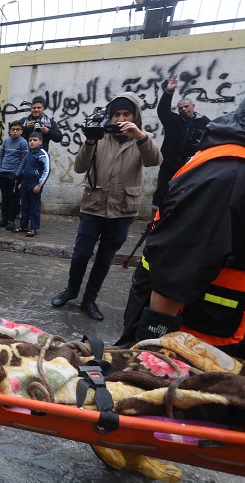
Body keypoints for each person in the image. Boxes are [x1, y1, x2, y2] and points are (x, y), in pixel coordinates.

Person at [117, 89, 245, 365]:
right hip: (194, 342)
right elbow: (177, 268)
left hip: (224, 331)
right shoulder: (233, 171)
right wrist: (152, 355)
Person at [51, 92, 162, 321]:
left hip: (122, 211)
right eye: (116, 114)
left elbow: (154, 160)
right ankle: (71, 290)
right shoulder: (99, 136)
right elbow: (80, 167)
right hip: (93, 206)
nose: (120, 119)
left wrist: (140, 136)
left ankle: (89, 300)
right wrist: (90, 140)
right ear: (110, 117)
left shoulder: (142, 138)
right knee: (81, 254)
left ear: (135, 116)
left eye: (126, 114)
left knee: (104, 259)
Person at [151, 74, 210, 212]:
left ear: (193, 106)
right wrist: (169, 91)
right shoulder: (173, 120)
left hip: (189, 167)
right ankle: (153, 222)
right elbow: (162, 110)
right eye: (180, 108)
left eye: (186, 106)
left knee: (186, 195)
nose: (183, 109)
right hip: (168, 164)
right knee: (160, 194)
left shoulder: (205, 122)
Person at [14, 131, 50, 237]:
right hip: (25, 184)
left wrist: (39, 185)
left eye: (35, 140)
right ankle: (23, 226)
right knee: (24, 206)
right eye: (30, 140)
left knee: (34, 207)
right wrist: (21, 182)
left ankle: (34, 228)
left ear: (40, 142)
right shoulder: (28, 153)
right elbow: (25, 169)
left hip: (34, 184)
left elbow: (46, 170)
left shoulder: (43, 154)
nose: (32, 142)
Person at [0, 120, 28, 231]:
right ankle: (4, 220)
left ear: (21, 131)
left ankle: (11, 221)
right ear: (10, 131)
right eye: (13, 129)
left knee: (12, 199)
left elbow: (24, 160)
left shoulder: (23, 143)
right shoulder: (6, 141)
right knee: (4, 197)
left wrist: (17, 174)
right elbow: (1, 156)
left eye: (17, 130)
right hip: (3, 172)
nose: (15, 132)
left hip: (14, 174)